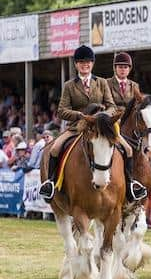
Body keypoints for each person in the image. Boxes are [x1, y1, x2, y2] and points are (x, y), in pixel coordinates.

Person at [38, 45, 145, 202]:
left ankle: (130, 186)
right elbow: (62, 111)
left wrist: (102, 117)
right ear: (76, 65)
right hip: (77, 127)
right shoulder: (69, 85)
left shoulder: (101, 82)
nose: (85, 65)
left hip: (101, 127)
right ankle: (51, 184)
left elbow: (111, 106)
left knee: (128, 149)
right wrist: (81, 115)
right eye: (81, 62)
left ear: (92, 64)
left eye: (88, 62)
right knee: (54, 148)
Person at [107, 52, 151, 200]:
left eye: (125, 67)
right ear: (115, 68)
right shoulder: (107, 84)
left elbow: (140, 106)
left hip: (133, 126)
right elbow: (107, 104)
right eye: (120, 67)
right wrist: (115, 118)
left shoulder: (134, 86)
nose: (123, 69)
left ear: (129, 69)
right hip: (114, 124)